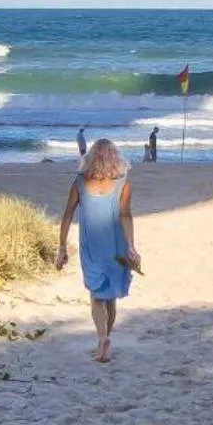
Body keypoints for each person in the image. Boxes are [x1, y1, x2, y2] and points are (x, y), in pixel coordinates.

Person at [56, 138, 138, 362]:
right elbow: (125, 215)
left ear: (90, 158)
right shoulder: (123, 184)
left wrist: (62, 246)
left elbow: (67, 214)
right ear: (115, 158)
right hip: (116, 245)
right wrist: (131, 246)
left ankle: (102, 338)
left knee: (96, 295)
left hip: (91, 245)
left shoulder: (80, 183)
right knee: (110, 297)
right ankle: (106, 337)